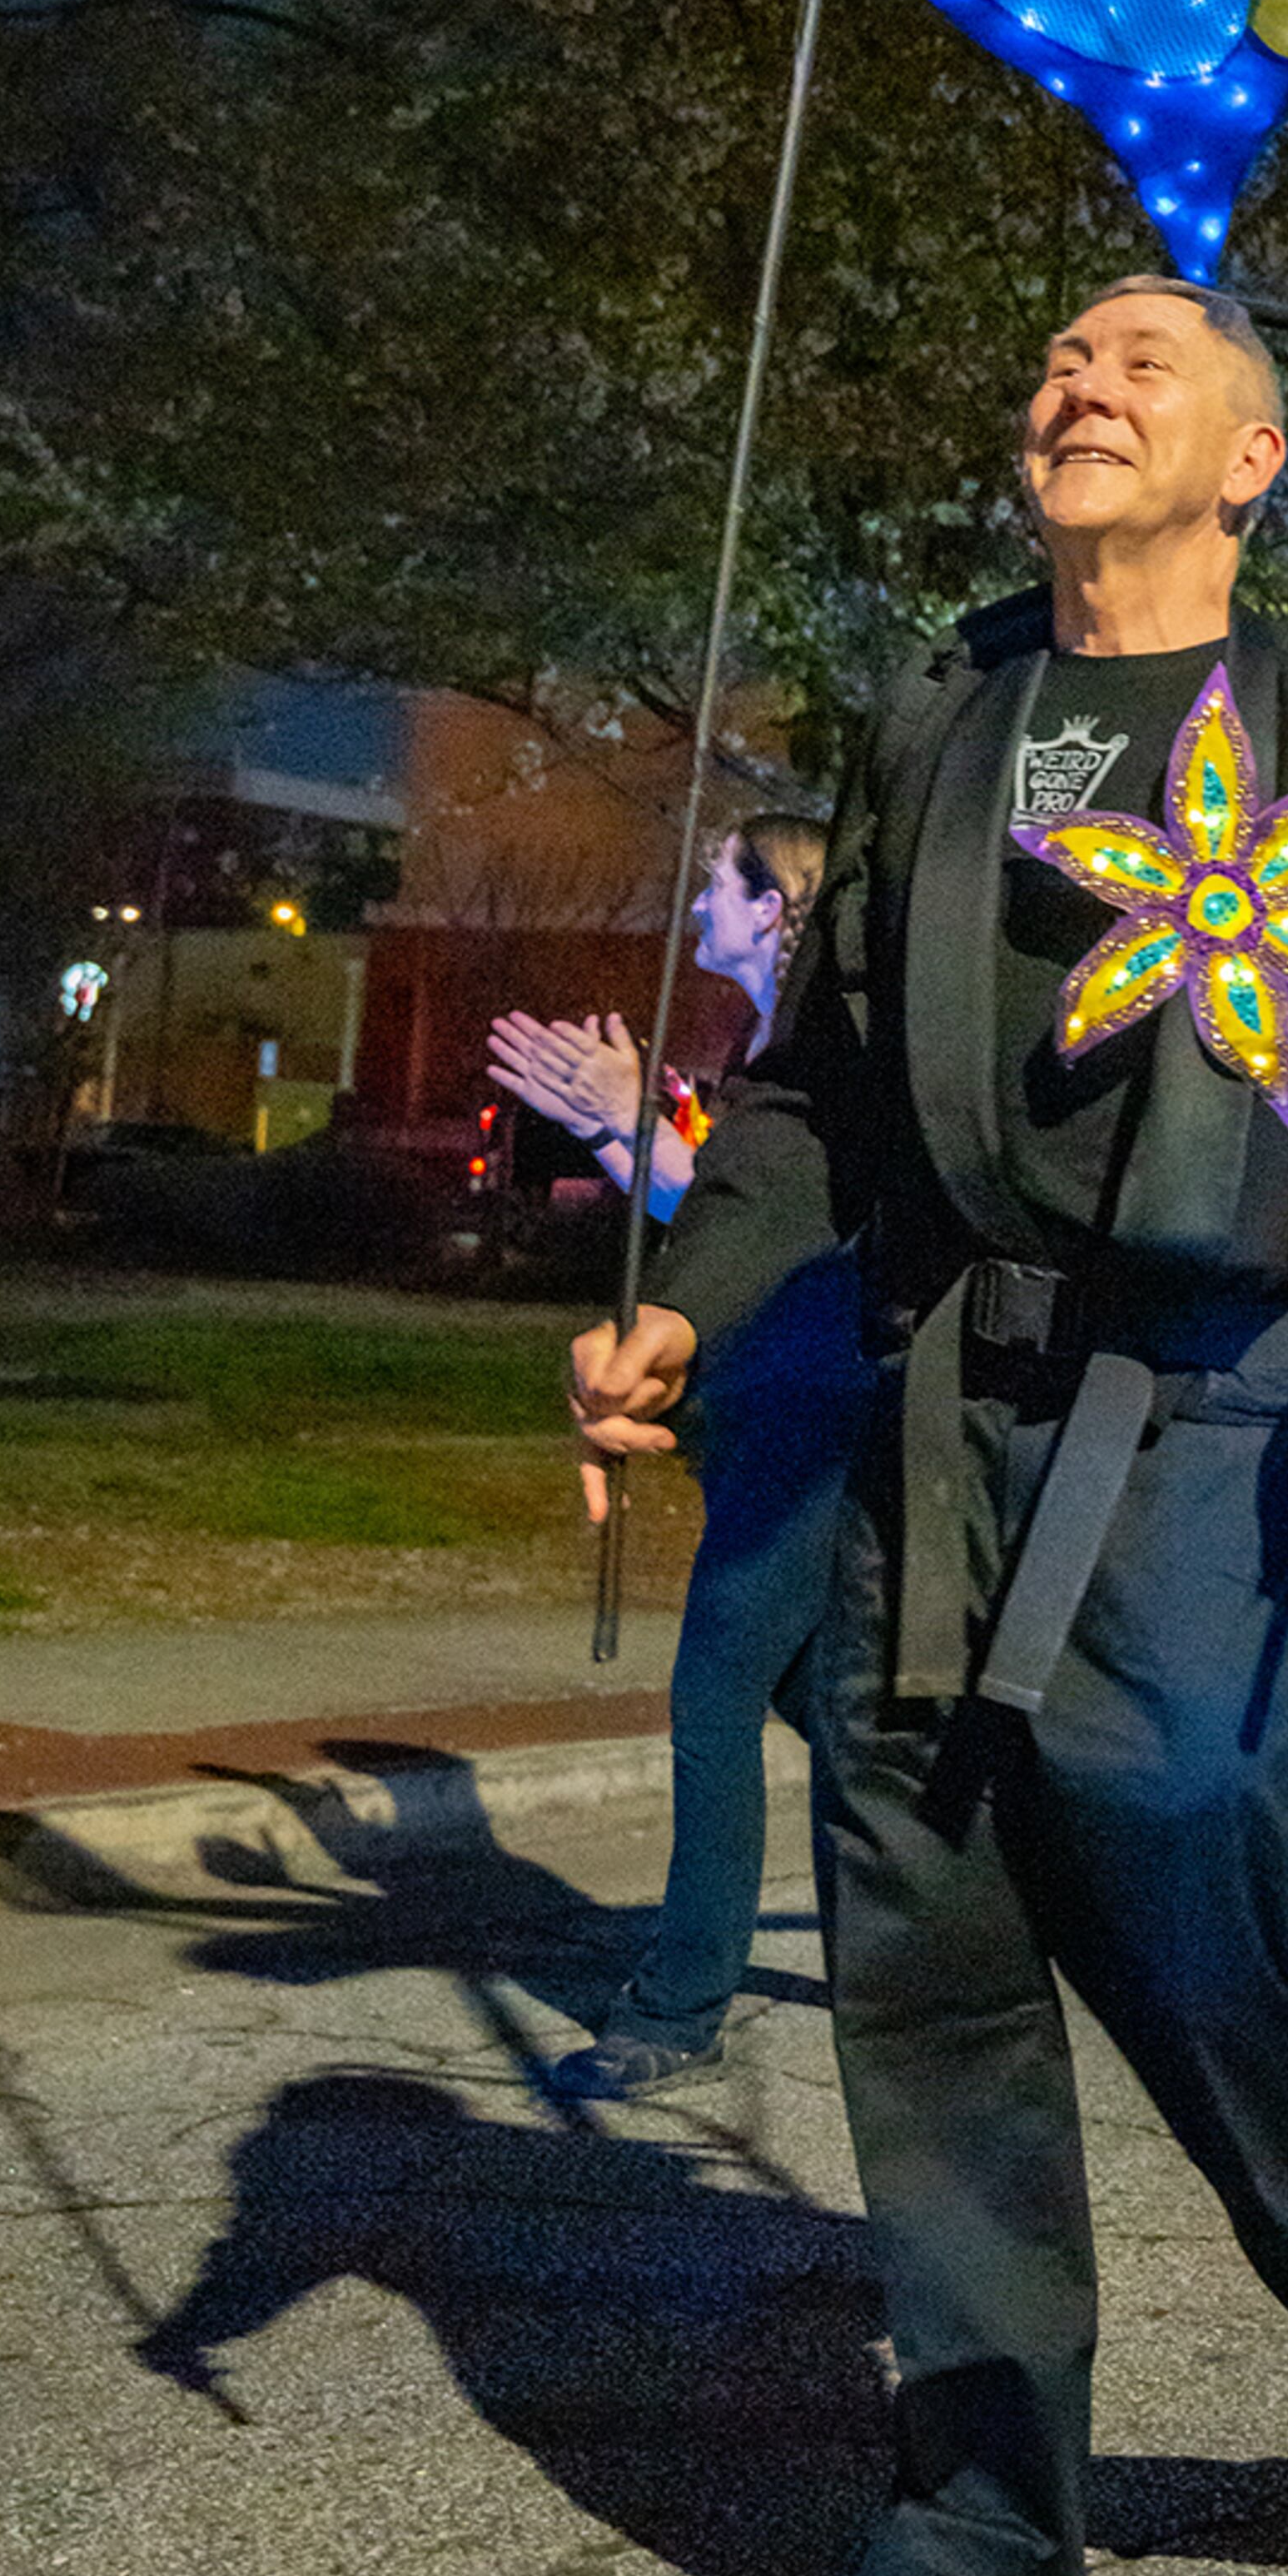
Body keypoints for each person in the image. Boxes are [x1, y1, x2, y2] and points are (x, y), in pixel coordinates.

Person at [569, 280, 1288, 2576]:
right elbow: (810, 1090)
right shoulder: (942, 712)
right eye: (1064, 357)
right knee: (925, 1964)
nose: (1080, 384)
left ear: (1254, 460)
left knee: (1191, 1901)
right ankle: (986, 2544)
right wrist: (685, 1301)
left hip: (1204, 1418)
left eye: (1144, 362)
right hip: (925, 1408)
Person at [491, 815, 857, 2099]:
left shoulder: (834, 1055)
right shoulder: (767, 1053)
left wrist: (630, 1120)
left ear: (774, 909)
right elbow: (718, 1215)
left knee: (715, 1698)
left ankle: (677, 2005)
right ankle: (987, 1900)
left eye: (718, 879)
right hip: (759, 1409)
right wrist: (616, 1127)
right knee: (834, 1709)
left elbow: (778, 1219)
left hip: (813, 1423)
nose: (698, 893)